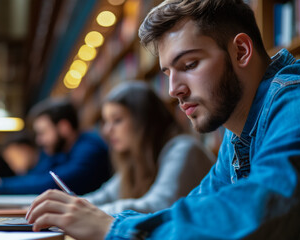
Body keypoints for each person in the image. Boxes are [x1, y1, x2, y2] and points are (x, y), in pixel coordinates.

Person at [25, 0, 300, 239]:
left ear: (241, 51)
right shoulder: (238, 131)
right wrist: (105, 222)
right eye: (168, 73)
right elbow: (199, 207)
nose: (173, 91)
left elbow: (265, 211)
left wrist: (112, 229)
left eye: (190, 64)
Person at [82, 81, 215, 215]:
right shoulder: (135, 160)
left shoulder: (184, 148)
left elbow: (157, 206)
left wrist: (85, 214)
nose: (107, 130)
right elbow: (105, 196)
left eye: (117, 120)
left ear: (143, 120)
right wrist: (70, 205)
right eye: (106, 122)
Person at [0, 98, 111, 196]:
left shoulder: (90, 148)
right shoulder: (62, 152)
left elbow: (52, 184)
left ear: (64, 127)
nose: (39, 141)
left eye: (42, 133)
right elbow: (37, 177)